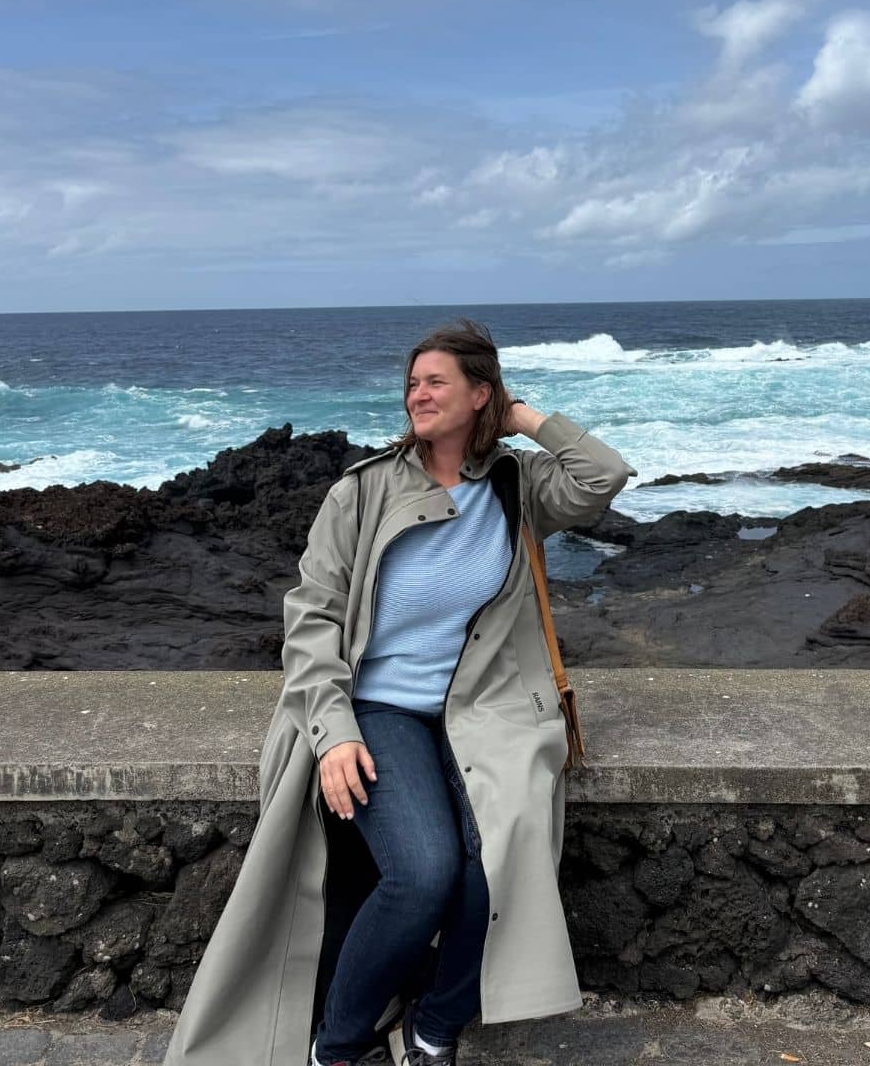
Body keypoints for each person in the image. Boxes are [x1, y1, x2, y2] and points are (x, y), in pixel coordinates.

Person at [163, 318, 636, 1066]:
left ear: (479, 394)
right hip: (379, 709)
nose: (418, 394)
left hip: (484, 710)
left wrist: (520, 417)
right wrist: (333, 732)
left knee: (496, 871)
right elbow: (311, 618)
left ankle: (433, 1028)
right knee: (421, 876)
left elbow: (602, 474)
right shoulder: (364, 491)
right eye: (413, 383)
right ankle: (336, 1047)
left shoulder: (515, 485)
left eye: (437, 382)